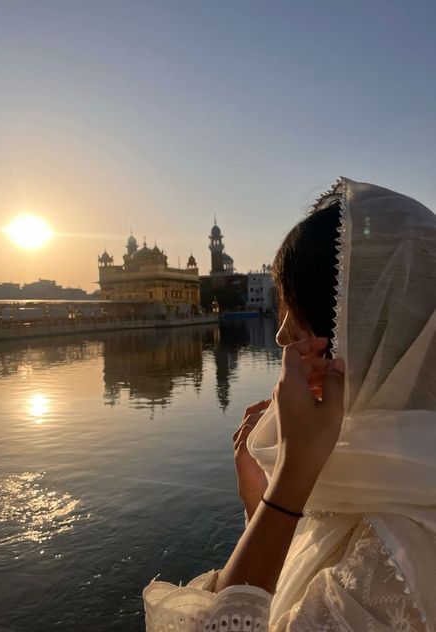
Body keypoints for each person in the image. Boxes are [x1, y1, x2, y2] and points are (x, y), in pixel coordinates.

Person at [143, 178, 436, 631]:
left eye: (296, 319)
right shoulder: (388, 476)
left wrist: (288, 485)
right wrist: (262, 504)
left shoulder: (395, 563)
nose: (280, 336)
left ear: (359, 331)